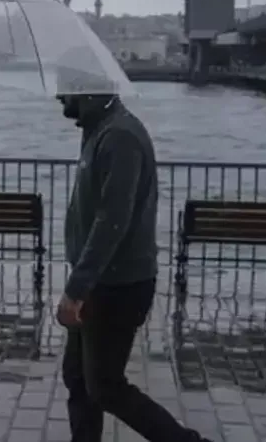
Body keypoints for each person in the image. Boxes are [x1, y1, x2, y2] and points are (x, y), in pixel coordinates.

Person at [56, 73, 213, 442]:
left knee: (105, 386)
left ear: (87, 90)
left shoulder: (120, 137)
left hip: (118, 284)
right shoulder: (99, 129)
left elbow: (112, 220)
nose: (60, 97)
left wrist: (76, 290)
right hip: (98, 280)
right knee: (78, 377)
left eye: (66, 89)